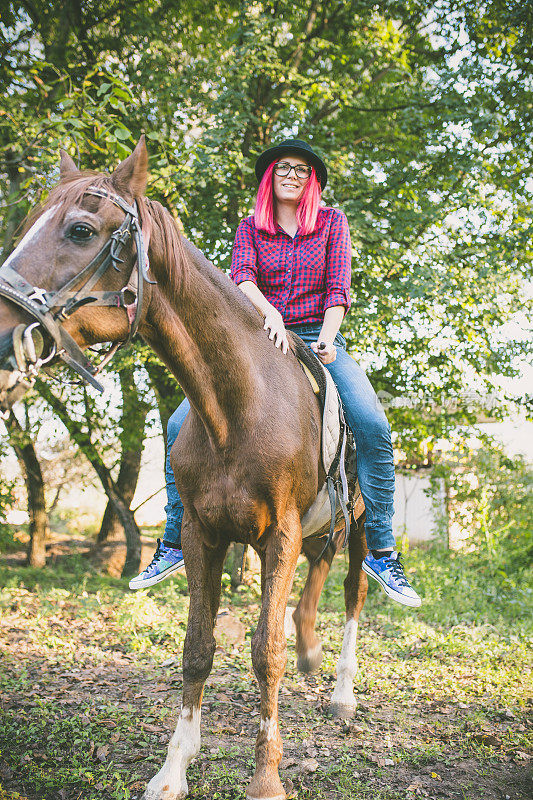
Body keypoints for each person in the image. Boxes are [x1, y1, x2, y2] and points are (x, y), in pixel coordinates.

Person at [129, 138, 421, 608]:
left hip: (318, 337)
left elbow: (337, 288)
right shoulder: (251, 227)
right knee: (179, 423)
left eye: (302, 170)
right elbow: (241, 277)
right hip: (259, 336)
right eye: (283, 167)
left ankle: (383, 552)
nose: (291, 174)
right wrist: (271, 317)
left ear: (312, 182)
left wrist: (328, 335)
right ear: (270, 177)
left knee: (374, 425)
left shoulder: (331, 223)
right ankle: (172, 543)